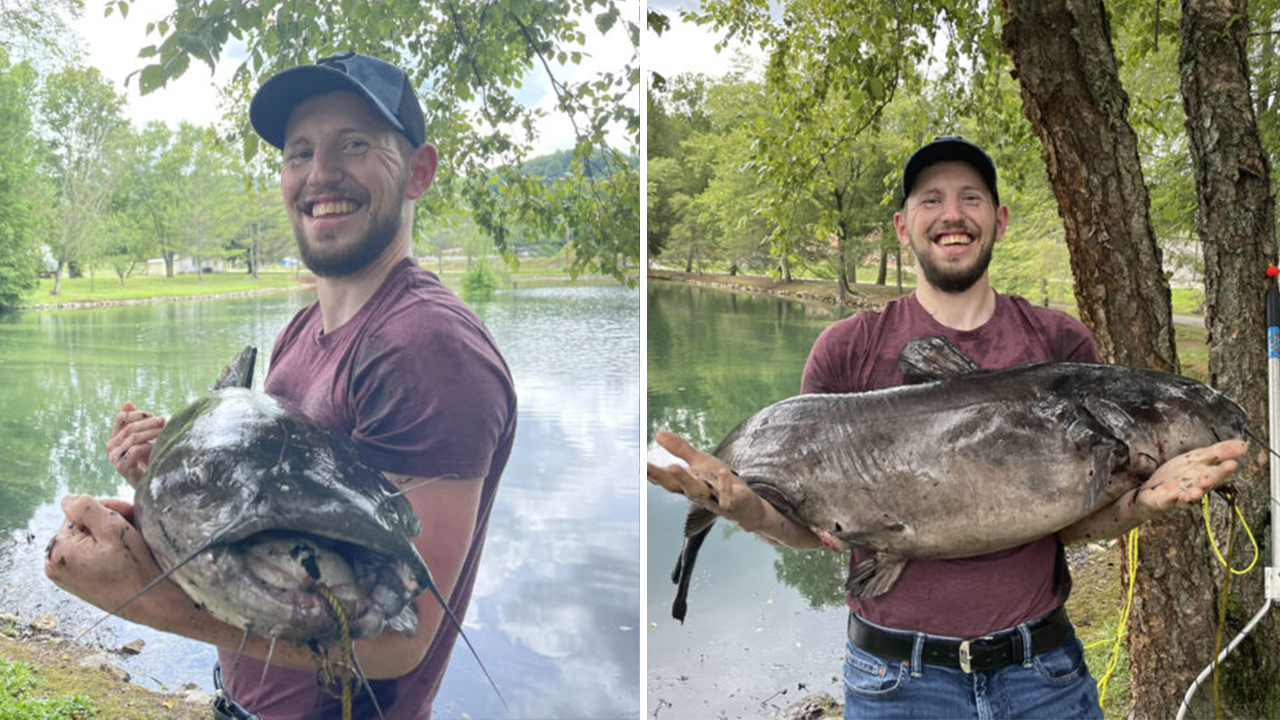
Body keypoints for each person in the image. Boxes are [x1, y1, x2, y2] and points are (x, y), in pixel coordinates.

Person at [647, 135, 1247, 719]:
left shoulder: (1061, 344)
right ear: (903, 226)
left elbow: (1067, 527)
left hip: (1041, 671)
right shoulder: (845, 349)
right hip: (893, 680)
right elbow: (821, 530)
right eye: (931, 199)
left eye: (971, 197)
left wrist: (1141, 504)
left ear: (1000, 220)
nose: (952, 214)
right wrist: (748, 512)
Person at [44, 51, 517, 720]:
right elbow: (263, 503)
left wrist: (152, 600)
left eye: (355, 145)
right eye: (299, 152)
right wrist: (158, 480)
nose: (320, 173)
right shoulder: (302, 331)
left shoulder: (427, 349)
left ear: (419, 171)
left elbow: (398, 638)